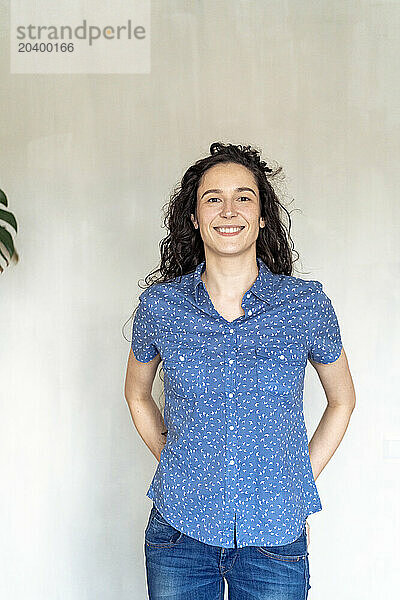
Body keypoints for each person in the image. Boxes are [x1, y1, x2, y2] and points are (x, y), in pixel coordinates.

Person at [124, 142, 356, 600]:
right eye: (213, 198)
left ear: (263, 215)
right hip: (179, 533)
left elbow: (342, 400)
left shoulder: (305, 306)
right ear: (193, 217)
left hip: (274, 533)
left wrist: (296, 479)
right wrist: (174, 459)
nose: (228, 210)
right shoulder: (161, 306)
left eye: (243, 197)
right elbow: (137, 394)